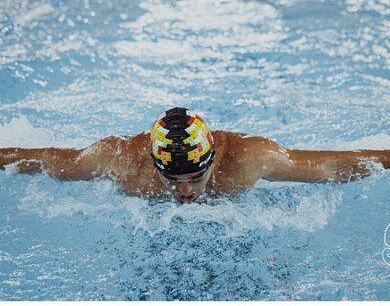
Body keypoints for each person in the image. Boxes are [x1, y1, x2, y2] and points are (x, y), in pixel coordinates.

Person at [0, 107, 389, 203]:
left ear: (213, 159)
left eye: (194, 180)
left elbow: (333, 164)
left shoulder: (249, 158)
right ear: (155, 165)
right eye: (173, 180)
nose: (184, 193)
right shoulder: (121, 160)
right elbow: (47, 159)